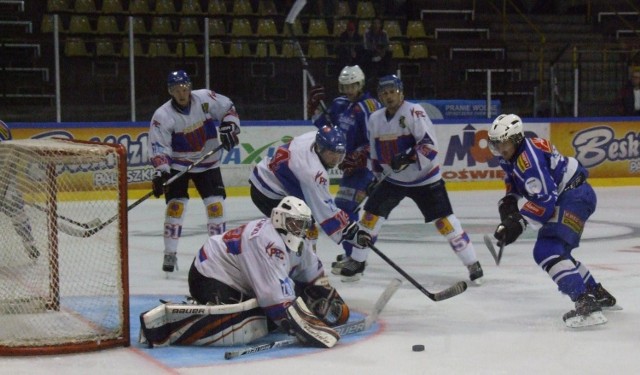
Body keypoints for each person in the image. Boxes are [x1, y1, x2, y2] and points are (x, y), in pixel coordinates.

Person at [139, 196, 348, 348]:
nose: (299, 231)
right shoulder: (266, 240)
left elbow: (314, 276)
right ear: (279, 220)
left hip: (238, 277)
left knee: (269, 312)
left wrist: (331, 301)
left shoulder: (297, 244)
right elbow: (276, 302)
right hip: (210, 275)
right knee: (246, 320)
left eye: (303, 226)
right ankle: (178, 322)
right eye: (294, 224)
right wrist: (304, 326)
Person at [337, 75, 484, 284]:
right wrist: (376, 177)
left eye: (392, 92)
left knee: (445, 223)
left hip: (425, 180)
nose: (389, 97)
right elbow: (375, 152)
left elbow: (430, 146)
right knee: (369, 218)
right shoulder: (375, 118)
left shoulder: (415, 112)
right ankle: (357, 261)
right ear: (379, 96)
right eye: (384, 93)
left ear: (401, 92)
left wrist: (408, 157)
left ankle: (472, 263)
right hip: (393, 180)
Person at [487, 113, 618, 328]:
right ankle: (596, 293)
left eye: (504, 144)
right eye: (496, 144)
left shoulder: (529, 160)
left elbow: (545, 201)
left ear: (517, 139)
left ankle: (585, 303)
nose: (500, 149)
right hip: (573, 194)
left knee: (547, 250)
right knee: (558, 252)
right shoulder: (510, 154)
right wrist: (510, 202)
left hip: (574, 196)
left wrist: (518, 222)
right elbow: (515, 180)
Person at [148, 70, 241, 274]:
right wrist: (161, 171)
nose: (182, 93)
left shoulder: (205, 99)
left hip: (208, 161)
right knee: (175, 207)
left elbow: (228, 109)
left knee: (215, 205)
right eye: (176, 90)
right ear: (170, 91)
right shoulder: (162, 116)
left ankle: (217, 252)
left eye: (184, 88)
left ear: (190, 86)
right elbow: (159, 146)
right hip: (179, 165)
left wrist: (229, 128)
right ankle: (170, 254)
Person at [249, 125, 367, 255]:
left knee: (304, 228)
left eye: (339, 155)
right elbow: (325, 210)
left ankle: (304, 264)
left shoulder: (313, 138)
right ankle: (296, 267)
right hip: (268, 194)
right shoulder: (313, 173)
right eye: (331, 154)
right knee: (300, 234)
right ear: (320, 148)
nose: (336, 160)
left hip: (268, 178)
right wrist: (351, 232)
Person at [308, 65, 382, 266]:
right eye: (345, 86)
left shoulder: (370, 106)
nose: (349, 90)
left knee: (343, 210)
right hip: (350, 170)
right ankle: (354, 255)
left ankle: (357, 257)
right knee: (347, 211)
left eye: (353, 86)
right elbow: (328, 129)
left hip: (366, 169)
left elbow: (376, 139)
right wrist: (315, 111)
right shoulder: (339, 103)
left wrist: (360, 155)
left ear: (361, 84)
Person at [0, 120, 39, 260]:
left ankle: (30, 244)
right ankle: (30, 244)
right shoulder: (2, 125)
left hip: (6, 180)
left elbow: (10, 154)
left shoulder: (2, 126)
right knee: (18, 213)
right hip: (8, 179)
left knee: (18, 213)